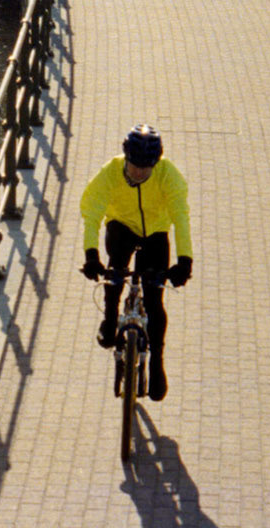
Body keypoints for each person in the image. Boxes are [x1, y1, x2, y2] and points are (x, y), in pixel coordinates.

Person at [80, 125, 192, 402]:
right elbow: (91, 212)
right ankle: (109, 321)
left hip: (155, 232)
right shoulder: (110, 173)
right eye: (134, 166)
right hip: (121, 226)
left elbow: (181, 218)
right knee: (114, 273)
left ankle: (156, 362)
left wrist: (185, 261)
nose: (140, 173)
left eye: (147, 168)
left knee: (154, 300)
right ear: (125, 158)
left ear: (156, 163)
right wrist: (91, 255)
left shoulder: (170, 176)